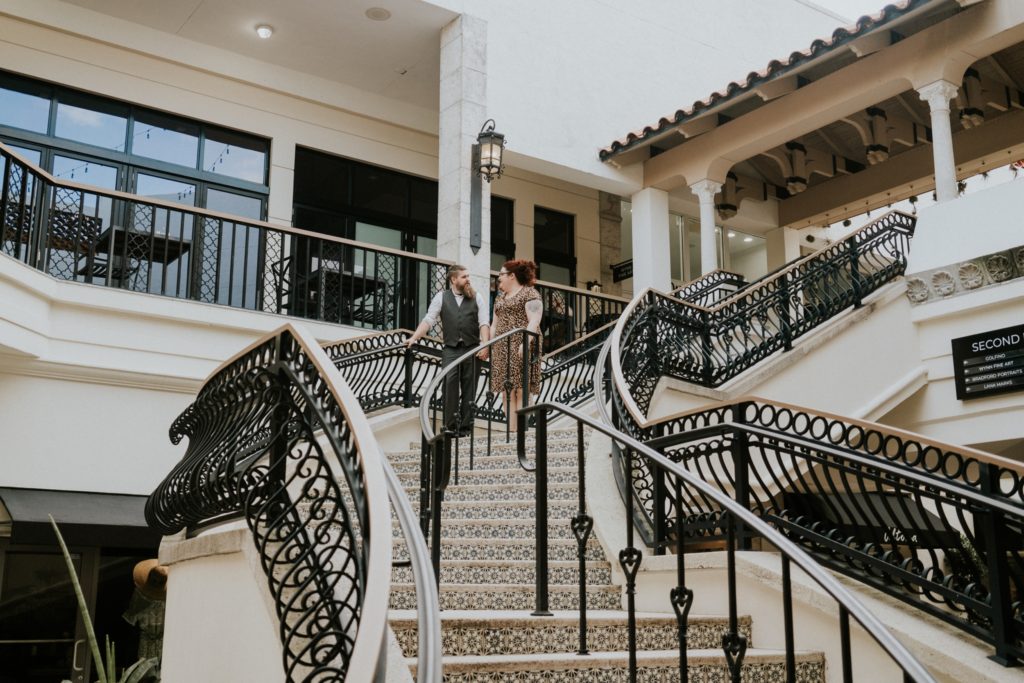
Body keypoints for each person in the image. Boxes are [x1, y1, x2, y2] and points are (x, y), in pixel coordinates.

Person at [406, 264, 489, 436]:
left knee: (470, 388)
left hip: (473, 348)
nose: (468, 279)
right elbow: (429, 320)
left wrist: (485, 344)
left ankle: (465, 429)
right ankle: (450, 427)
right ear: (453, 279)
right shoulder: (441, 297)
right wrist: (414, 338)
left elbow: (483, 323)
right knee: (449, 385)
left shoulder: (477, 297)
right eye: (464, 276)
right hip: (451, 349)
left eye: (468, 276)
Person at [479, 259, 543, 431]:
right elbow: (494, 325)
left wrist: (525, 342)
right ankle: (511, 431)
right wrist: (486, 346)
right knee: (506, 390)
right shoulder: (500, 298)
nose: (499, 277)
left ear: (512, 276)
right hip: (501, 347)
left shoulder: (530, 294)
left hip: (521, 346)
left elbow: (534, 321)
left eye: (501, 274)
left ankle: (520, 431)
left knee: (521, 389)